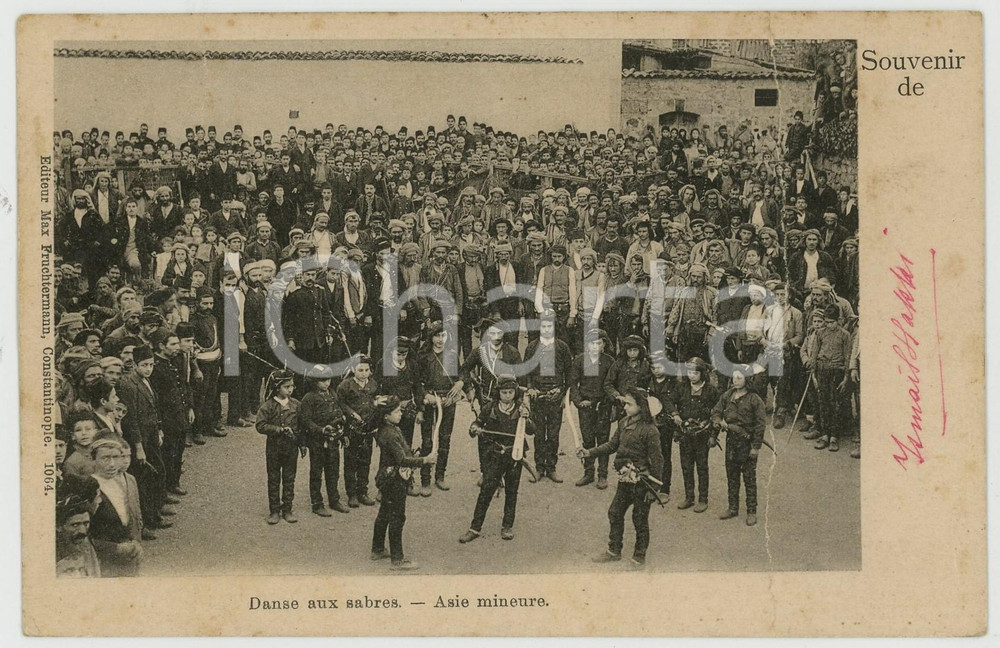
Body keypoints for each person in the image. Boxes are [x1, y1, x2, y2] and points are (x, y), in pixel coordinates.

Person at [580, 387, 664, 567]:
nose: (624, 407)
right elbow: (611, 445)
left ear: (641, 407)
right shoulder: (623, 422)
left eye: (629, 404)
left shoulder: (651, 431)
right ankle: (614, 551)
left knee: (639, 519)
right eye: (624, 403)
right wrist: (589, 453)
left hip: (643, 483)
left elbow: (658, 461)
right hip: (625, 480)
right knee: (615, 512)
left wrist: (654, 489)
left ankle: (639, 556)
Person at [459, 377, 533, 543]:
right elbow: (476, 424)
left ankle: (507, 526)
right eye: (504, 392)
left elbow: (531, 430)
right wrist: (475, 428)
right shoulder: (490, 407)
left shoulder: (521, 408)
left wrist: (526, 418)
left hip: (515, 455)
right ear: (498, 393)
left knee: (512, 491)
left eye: (510, 392)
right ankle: (474, 528)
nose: (507, 396)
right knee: (486, 491)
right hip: (494, 455)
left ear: (515, 393)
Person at [372, 395, 435, 571]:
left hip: (387, 478)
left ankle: (377, 549)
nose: (400, 414)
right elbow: (402, 460)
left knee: (384, 512)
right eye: (397, 411)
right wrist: (425, 460)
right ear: (386, 415)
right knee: (397, 518)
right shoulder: (390, 434)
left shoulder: (389, 428)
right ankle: (397, 560)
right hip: (394, 481)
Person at [711, 367, 767, 526]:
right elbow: (716, 411)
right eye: (734, 377)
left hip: (747, 444)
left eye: (739, 378)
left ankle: (751, 511)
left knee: (749, 479)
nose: (735, 380)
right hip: (731, 443)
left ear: (747, 380)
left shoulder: (754, 399)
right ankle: (733, 507)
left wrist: (755, 447)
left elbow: (760, 425)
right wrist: (718, 421)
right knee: (732, 476)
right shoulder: (727, 396)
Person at [88, 430, 144, 577]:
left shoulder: (122, 482)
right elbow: (85, 534)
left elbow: (131, 516)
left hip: (129, 557)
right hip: (104, 563)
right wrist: (116, 548)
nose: (112, 464)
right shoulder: (89, 487)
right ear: (93, 459)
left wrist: (135, 543)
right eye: (105, 458)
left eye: (116, 457)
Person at [523, 313, 572, 482]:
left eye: (549, 327)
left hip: (555, 397)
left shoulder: (562, 347)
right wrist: (530, 389)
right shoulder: (531, 347)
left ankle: (551, 467)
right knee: (538, 433)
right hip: (538, 396)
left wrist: (563, 393)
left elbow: (569, 373)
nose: (546, 330)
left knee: (553, 434)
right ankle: (539, 468)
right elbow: (527, 372)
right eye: (543, 327)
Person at [299, 365, 350, 516]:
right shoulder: (308, 398)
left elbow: (339, 412)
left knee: (333, 470)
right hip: (317, 441)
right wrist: (320, 430)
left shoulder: (333, 394)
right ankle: (317, 503)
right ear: (314, 381)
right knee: (316, 472)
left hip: (333, 439)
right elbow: (306, 421)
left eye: (328, 379)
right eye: (322, 381)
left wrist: (343, 433)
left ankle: (334, 500)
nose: (326, 383)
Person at [669, 357, 719, 512]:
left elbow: (718, 413)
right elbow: (669, 401)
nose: (692, 375)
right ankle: (689, 497)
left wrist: (713, 435)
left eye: (695, 373)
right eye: (689, 372)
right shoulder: (682, 387)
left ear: (702, 374)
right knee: (686, 466)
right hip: (685, 434)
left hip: (702, 435)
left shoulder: (711, 391)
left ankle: (703, 499)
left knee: (702, 467)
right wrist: (675, 413)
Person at [256, 370, 305, 524]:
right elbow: (260, 425)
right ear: (277, 388)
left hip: (291, 449)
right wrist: (278, 430)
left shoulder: (296, 404)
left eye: (292, 386)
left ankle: (288, 509)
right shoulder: (268, 406)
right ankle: (274, 510)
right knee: (274, 478)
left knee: (289, 478)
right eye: (286, 386)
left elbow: (302, 427)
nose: (290, 389)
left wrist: (302, 444)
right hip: (274, 449)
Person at [568, 331, 614, 489]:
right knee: (587, 439)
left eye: (599, 343)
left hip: (603, 406)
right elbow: (573, 384)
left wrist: (607, 402)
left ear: (604, 345)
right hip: (585, 407)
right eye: (592, 343)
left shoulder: (609, 362)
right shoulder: (580, 361)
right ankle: (588, 473)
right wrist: (579, 401)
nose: (595, 346)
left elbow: (611, 385)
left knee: (603, 440)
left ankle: (602, 475)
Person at [337, 356, 380, 507]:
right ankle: (352, 494)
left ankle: (363, 491)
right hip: (352, 430)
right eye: (360, 370)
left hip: (368, 430)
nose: (363, 373)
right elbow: (340, 403)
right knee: (350, 462)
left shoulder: (373, 384)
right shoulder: (346, 385)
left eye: (367, 370)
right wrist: (352, 414)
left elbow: (376, 400)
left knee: (365, 461)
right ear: (353, 370)